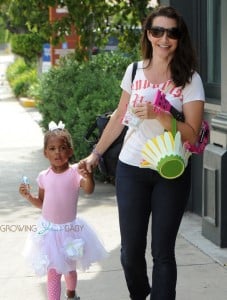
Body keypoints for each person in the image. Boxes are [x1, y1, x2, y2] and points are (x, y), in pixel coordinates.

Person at [82, 5, 205, 300]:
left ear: (179, 37)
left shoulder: (190, 78)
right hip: (131, 168)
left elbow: (192, 132)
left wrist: (160, 114)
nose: (164, 38)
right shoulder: (134, 70)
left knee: (162, 253)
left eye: (172, 32)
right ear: (148, 34)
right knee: (130, 253)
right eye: (157, 31)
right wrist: (95, 155)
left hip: (170, 171)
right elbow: (118, 117)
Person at [19, 121, 107, 300]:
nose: (57, 152)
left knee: (69, 270)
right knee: (53, 271)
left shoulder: (75, 172)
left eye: (62, 147)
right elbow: (43, 204)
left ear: (70, 151)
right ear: (46, 153)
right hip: (49, 232)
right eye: (52, 148)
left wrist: (88, 175)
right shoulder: (44, 176)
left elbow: (88, 190)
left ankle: (71, 293)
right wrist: (28, 196)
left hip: (70, 231)